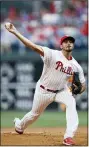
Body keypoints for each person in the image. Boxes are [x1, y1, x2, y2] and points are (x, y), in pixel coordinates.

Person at [5, 23, 86, 146]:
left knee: (71, 103)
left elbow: (83, 85)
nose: (68, 43)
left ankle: (68, 136)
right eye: (66, 41)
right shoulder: (52, 54)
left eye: (71, 41)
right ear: (61, 45)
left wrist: (79, 90)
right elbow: (32, 46)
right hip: (44, 91)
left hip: (61, 91)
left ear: (73, 45)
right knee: (34, 115)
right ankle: (19, 125)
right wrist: (15, 32)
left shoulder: (76, 66)